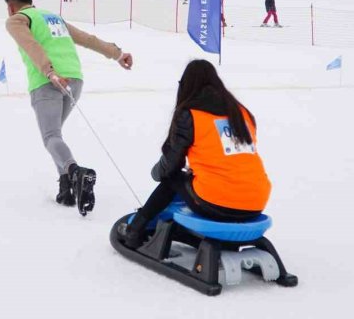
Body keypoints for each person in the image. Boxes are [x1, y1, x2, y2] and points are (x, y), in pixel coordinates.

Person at [4, 0, 133, 214]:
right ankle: (66, 189)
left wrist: (49, 71)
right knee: (56, 136)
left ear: (11, 6)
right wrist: (118, 54)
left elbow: (31, 46)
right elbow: (87, 39)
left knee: (51, 136)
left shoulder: (16, 20)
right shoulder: (52, 17)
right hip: (74, 79)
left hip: (49, 82)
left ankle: (75, 173)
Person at [116, 59, 271, 249]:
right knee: (190, 178)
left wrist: (157, 173)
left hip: (217, 202)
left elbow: (171, 164)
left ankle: (134, 230)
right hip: (257, 200)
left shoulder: (190, 113)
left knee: (172, 178)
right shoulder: (242, 113)